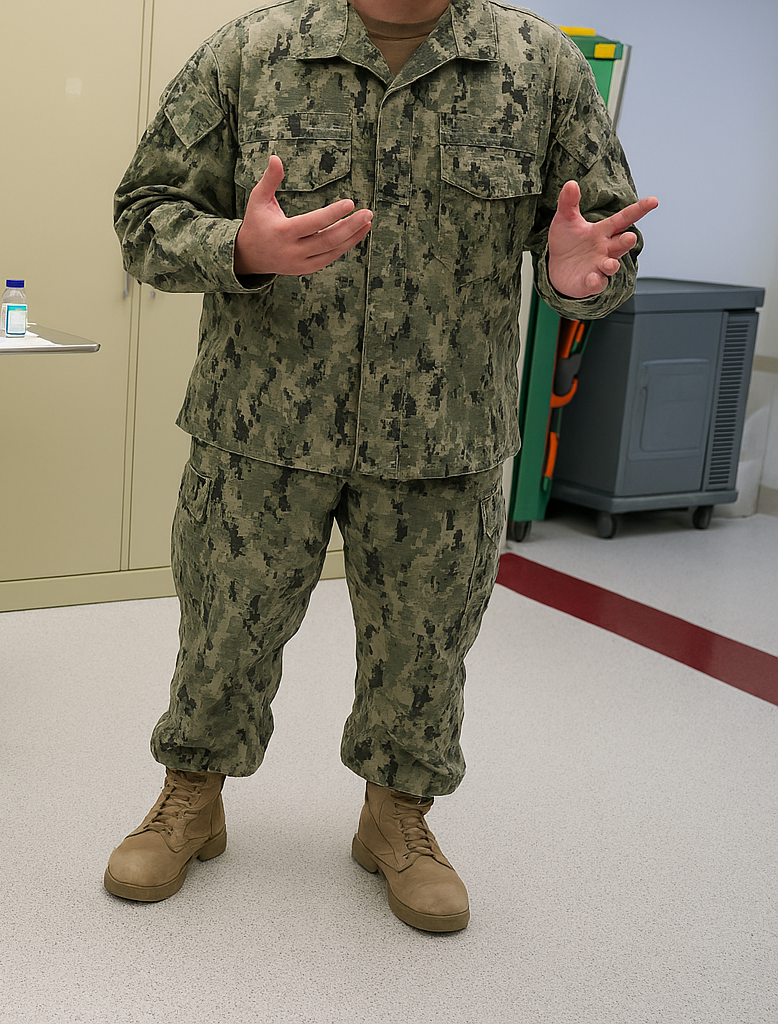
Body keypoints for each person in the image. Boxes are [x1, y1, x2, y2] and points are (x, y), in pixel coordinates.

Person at [106, 0, 657, 932]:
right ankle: (190, 798)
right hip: (262, 424)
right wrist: (237, 248)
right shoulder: (253, 51)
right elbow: (143, 217)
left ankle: (396, 816)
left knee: (425, 648)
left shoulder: (541, 65)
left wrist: (577, 280)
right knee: (222, 630)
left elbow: (607, 242)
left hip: (445, 436)